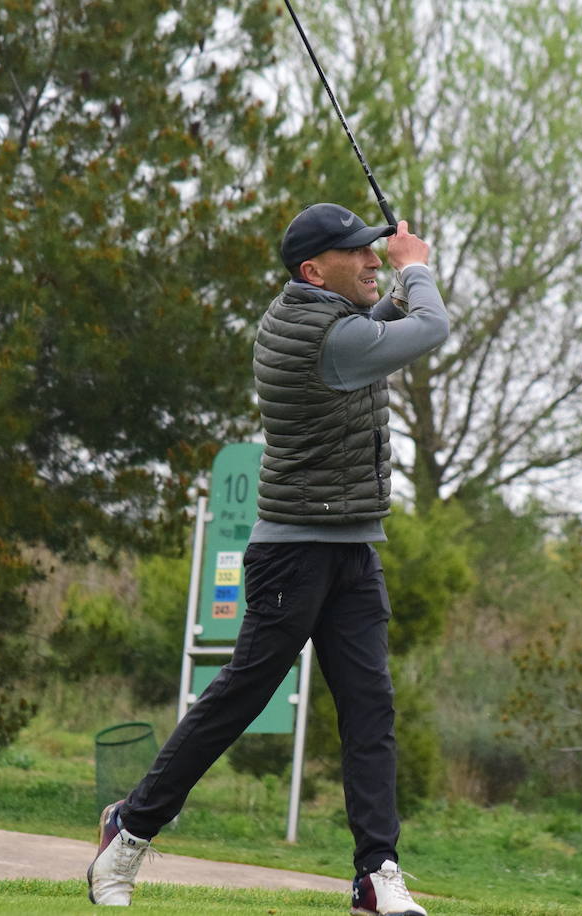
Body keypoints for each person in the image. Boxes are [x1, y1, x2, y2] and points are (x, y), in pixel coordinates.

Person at [87, 203, 448, 915]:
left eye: (377, 252)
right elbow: (429, 327)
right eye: (360, 255)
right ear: (315, 271)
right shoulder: (329, 339)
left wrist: (398, 272)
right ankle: (128, 830)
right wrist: (418, 266)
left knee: (369, 710)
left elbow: (387, 317)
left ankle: (376, 875)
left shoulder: (326, 314)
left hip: (353, 548)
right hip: (295, 555)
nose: (374, 262)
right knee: (238, 701)